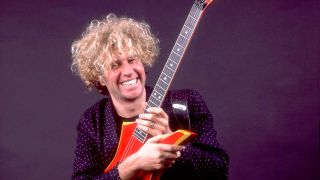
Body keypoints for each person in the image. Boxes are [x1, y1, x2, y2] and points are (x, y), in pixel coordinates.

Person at [70, 13, 228, 179]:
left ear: (143, 60)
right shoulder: (93, 121)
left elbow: (219, 169)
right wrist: (133, 164)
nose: (128, 71)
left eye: (132, 60)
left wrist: (171, 140)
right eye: (115, 65)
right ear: (100, 76)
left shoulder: (188, 103)